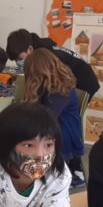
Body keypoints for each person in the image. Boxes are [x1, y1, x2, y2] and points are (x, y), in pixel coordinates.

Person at [21, 48, 85, 187]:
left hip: (63, 135)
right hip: (55, 129)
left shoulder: (61, 90)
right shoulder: (53, 86)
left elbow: (45, 118)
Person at [6, 27, 100, 98]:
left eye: (19, 58)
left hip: (84, 82)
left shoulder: (48, 56)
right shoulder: (39, 49)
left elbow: (50, 85)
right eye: (15, 60)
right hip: (70, 81)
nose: (18, 62)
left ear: (30, 49)